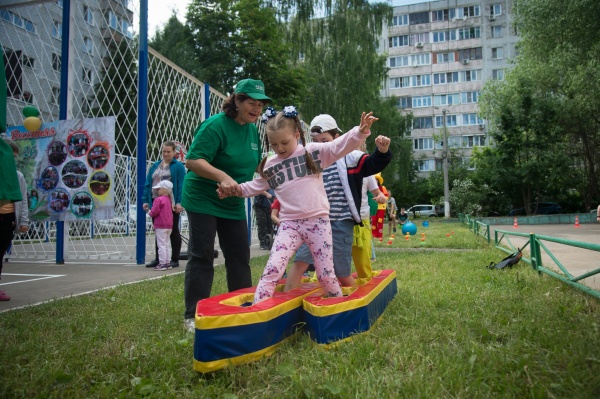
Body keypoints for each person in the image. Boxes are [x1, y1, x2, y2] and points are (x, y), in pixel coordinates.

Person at [219, 107, 379, 304]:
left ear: (297, 134)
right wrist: (233, 190)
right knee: (273, 268)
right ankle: (259, 308)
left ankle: (336, 306)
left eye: (285, 142)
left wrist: (359, 132)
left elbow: (337, 147)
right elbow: (254, 186)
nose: (280, 148)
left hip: (318, 223)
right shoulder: (270, 164)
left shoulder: (311, 153)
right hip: (289, 225)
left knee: (325, 273)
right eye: (274, 144)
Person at [181, 78, 271, 331]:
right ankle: (193, 315)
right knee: (202, 255)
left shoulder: (253, 129)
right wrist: (223, 177)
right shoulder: (215, 125)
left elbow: (256, 163)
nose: (256, 109)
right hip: (203, 198)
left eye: (260, 105)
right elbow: (193, 161)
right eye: (251, 103)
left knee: (239, 256)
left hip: (231, 201)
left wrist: (278, 172)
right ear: (237, 101)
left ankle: (242, 308)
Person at [283, 114, 392, 290]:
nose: (320, 145)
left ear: (336, 138)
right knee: (301, 262)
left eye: (325, 140)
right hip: (315, 222)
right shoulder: (311, 161)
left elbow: (372, 165)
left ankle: (357, 301)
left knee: (341, 271)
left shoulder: (351, 158)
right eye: (315, 141)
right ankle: (286, 303)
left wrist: (382, 151)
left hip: (341, 221)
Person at [143, 141, 186, 269]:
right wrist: (145, 200)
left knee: (173, 230)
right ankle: (159, 259)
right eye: (164, 151)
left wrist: (179, 202)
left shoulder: (178, 167)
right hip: (156, 202)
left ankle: (174, 259)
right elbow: (148, 183)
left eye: (168, 151)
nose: (166, 154)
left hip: (170, 203)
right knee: (159, 230)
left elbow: (181, 185)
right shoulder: (156, 165)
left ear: (174, 152)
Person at [0, 138, 29, 301]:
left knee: (1, 252)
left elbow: (22, 199)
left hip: (8, 218)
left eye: (15, 157)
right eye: (10, 156)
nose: (13, 160)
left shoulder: (18, 176)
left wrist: (23, 221)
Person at [147, 181, 175, 271]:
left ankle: (162, 263)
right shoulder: (169, 200)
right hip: (169, 225)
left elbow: (154, 212)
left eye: (159, 189)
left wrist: (148, 211)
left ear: (164, 189)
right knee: (167, 244)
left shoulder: (158, 200)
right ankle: (167, 262)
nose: (157, 191)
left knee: (161, 244)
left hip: (160, 225)